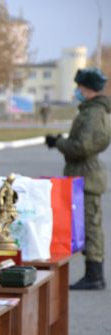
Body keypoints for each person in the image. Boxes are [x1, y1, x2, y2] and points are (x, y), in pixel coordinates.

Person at [46, 67, 111, 290]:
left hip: (87, 174)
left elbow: (83, 146)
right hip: (84, 172)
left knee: (91, 226)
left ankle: (95, 276)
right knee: (87, 224)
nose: (77, 91)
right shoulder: (92, 110)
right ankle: (93, 274)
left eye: (79, 87)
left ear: (88, 89)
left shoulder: (93, 113)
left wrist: (59, 143)